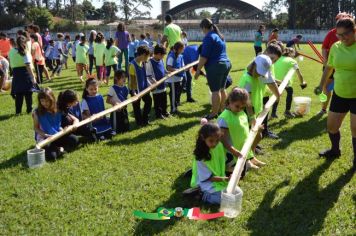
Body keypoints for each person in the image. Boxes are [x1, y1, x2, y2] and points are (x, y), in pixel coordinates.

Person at [314, 18, 356, 171]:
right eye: (339, 35)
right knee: (331, 126)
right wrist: (321, 85)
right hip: (340, 93)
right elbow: (328, 68)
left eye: (345, 34)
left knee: (355, 129)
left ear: (354, 31)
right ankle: (335, 150)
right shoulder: (336, 47)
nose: (342, 38)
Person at [239, 47, 281, 143]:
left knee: (254, 131)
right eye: (259, 72)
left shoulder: (256, 77)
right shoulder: (247, 81)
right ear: (254, 66)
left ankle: (254, 146)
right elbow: (248, 103)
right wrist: (252, 117)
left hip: (255, 109)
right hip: (247, 112)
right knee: (248, 130)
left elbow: (270, 82)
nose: (261, 75)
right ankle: (248, 147)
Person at [218, 87, 265, 171]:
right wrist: (233, 150)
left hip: (241, 148)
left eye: (242, 107)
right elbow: (222, 138)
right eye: (237, 106)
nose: (239, 109)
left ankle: (248, 161)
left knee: (242, 168)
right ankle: (230, 166)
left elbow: (243, 129)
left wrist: (257, 129)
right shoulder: (224, 118)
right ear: (230, 101)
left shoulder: (241, 113)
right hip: (230, 153)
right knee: (239, 172)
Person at [195, 18, 231, 120]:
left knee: (215, 91)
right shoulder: (219, 36)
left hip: (216, 66)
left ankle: (214, 114)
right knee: (222, 89)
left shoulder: (208, 37)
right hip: (226, 64)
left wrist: (198, 70)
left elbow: (204, 57)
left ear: (203, 27)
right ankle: (223, 111)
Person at [318, 12, 353, 116]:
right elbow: (324, 47)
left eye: (345, 18)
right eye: (340, 18)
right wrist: (325, 60)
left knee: (335, 87)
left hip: (346, 67)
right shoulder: (331, 33)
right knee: (326, 88)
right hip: (332, 65)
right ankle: (323, 108)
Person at [33, 88, 79, 161]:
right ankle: (58, 150)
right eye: (42, 101)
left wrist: (73, 125)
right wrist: (46, 135)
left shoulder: (58, 108)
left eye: (47, 100)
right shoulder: (37, 112)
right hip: (46, 138)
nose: (45, 103)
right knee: (52, 156)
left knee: (74, 140)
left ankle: (59, 149)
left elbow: (74, 119)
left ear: (52, 99)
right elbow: (36, 128)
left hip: (58, 135)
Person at [190, 122, 229, 205]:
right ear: (203, 138)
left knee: (233, 193)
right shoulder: (200, 156)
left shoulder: (219, 146)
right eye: (211, 141)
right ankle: (202, 195)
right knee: (223, 200)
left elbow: (221, 163)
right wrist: (225, 179)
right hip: (206, 181)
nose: (214, 144)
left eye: (217, 140)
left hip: (218, 177)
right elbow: (207, 178)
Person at [271, 47, 307, 119]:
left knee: (276, 96)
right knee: (290, 92)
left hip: (275, 81)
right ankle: (287, 111)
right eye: (293, 53)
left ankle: (273, 113)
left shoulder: (278, 59)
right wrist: (302, 83)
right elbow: (300, 75)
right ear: (291, 54)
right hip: (285, 83)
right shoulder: (292, 61)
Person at [9, 36, 36, 115]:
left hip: (16, 74)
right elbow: (28, 65)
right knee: (28, 93)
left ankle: (18, 112)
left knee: (19, 94)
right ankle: (29, 110)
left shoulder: (11, 51)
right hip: (25, 73)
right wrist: (33, 77)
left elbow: (10, 62)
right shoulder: (25, 52)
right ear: (24, 43)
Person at [128, 45, 152, 126]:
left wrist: (149, 85)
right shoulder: (132, 65)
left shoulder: (143, 62)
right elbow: (132, 80)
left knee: (149, 101)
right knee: (136, 107)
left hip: (144, 88)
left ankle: (145, 118)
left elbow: (145, 76)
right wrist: (133, 92)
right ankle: (139, 122)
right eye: (147, 56)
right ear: (142, 55)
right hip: (135, 90)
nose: (147, 58)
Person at [145, 44, 169, 119]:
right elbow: (148, 74)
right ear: (158, 54)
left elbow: (163, 70)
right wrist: (154, 81)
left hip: (163, 84)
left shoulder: (161, 60)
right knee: (158, 102)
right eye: (162, 55)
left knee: (164, 100)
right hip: (156, 86)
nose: (163, 57)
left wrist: (167, 72)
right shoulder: (150, 62)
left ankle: (165, 112)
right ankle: (159, 114)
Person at [166, 41, 185, 114]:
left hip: (179, 78)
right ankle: (173, 109)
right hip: (173, 79)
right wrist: (177, 70)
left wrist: (184, 68)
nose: (183, 50)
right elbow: (168, 67)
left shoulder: (180, 56)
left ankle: (175, 107)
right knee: (173, 94)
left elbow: (182, 66)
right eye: (182, 48)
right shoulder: (171, 56)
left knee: (177, 94)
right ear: (178, 49)